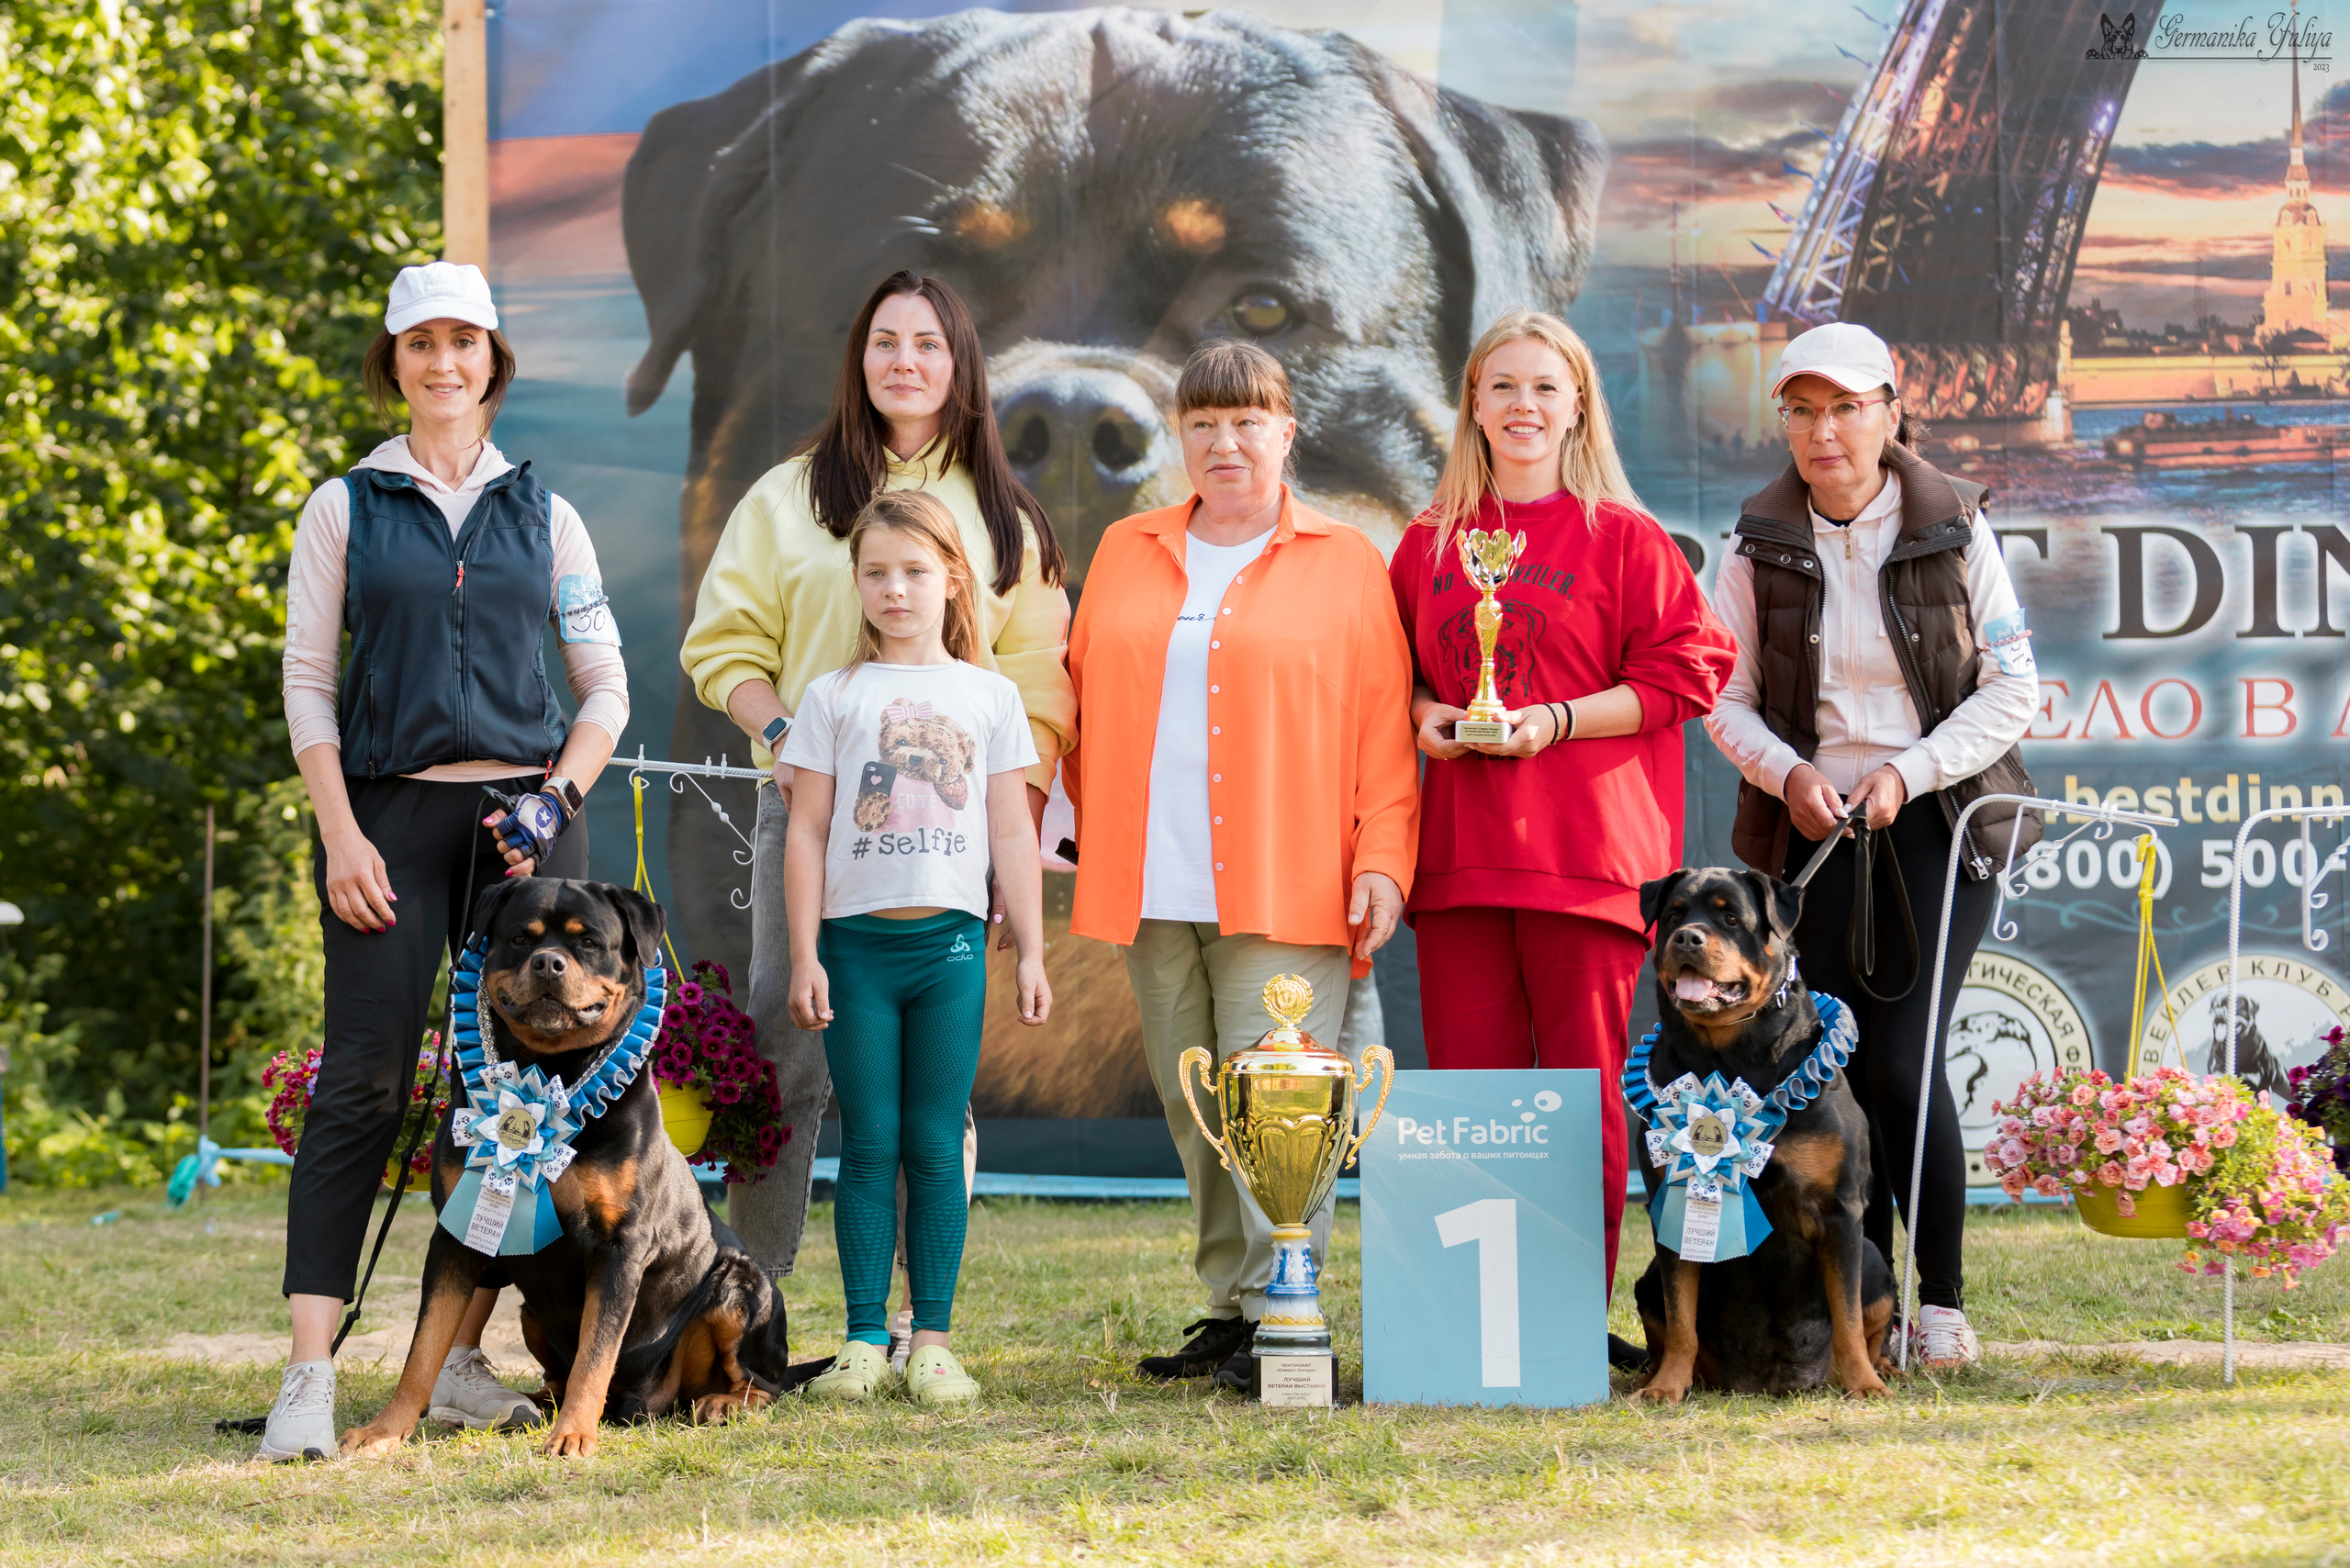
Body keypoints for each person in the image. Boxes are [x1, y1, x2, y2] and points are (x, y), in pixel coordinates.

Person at [264, 262, 630, 1460]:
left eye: (464, 343)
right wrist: (340, 832)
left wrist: (556, 799)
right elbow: (309, 684)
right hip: (387, 826)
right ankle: (310, 1379)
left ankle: (463, 1366)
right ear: (394, 360)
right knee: (364, 1085)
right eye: (421, 344)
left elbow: (606, 690)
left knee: (517, 1104)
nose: (444, 364)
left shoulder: (549, 513)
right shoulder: (344, 507)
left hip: (527, 833)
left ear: (493, 360)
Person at [679, 272, 1074, 1311]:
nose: (907, 360)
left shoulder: (1003, 513)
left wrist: (1009, 814)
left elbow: (1035, 671)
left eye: (930, 343)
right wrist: (782, 735)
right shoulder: (788, 495)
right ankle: (754, 1294)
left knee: (931, 1075)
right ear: (859, 357)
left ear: (961, 365)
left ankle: (916, 1310)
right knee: (788, 1039)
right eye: (886, 340)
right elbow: (725, 644)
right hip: (810, 820)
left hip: (951, 832)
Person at [1064, 340, 1418, 1389]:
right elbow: (1076, 704)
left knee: (1277, 1102)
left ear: (1286, 432)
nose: (1226, 442)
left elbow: (1383, 728)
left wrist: (1383, 858)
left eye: (1248, 421)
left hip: (1291, 874)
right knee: (1193, 1099)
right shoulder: (1126, 548)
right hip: (1150, 878)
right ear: (1180, 438)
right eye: (1204, 423)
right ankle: (1232, 1307)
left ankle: (1288, 1311)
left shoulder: (1345, 559)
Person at [1706, 320, 2039, 1372]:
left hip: (1937, 820)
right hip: (1811, 834)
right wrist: (1791, 777)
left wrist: (1908, 770)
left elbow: (2012, 690)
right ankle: (1869, 1304)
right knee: (1830, 1072)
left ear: (1892, 411)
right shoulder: (1753, 542)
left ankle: (1936, 1304)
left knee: (1899, 1060)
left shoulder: (1954, 527)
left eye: (1846, 407)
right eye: (1801, 410)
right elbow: (1725, 701)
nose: (1823, 431)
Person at [1390, 309, 1734, 1305]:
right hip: (1458, 861)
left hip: (1587, 861)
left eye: (1545, 386)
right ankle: (1479, 1314)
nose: (1523, 405)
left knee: (1579, 1099)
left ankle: (1567, 1313)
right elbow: (1392, 682)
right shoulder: (1426, 545)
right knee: (1475, 1100)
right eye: (1503, 386)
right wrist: (1427, 717)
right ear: (1473, 404)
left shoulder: (1624, 539)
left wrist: (1552, 721)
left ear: (1579, 404)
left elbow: (1690, 673)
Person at [778, 489, 1050, 1406]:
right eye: (877, 573)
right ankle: (861, 1338)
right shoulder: (833, 696)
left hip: (951, 954)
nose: (895, 590)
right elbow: (807, 832)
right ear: (855, 582)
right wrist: (807, 951)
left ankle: (930, 1338)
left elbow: (1013, 831)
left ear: (953, 579)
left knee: (935, 1140)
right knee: (870, 1141)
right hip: (856, 954)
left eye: (914, 572)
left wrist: (1035, 951)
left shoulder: (989, 695)